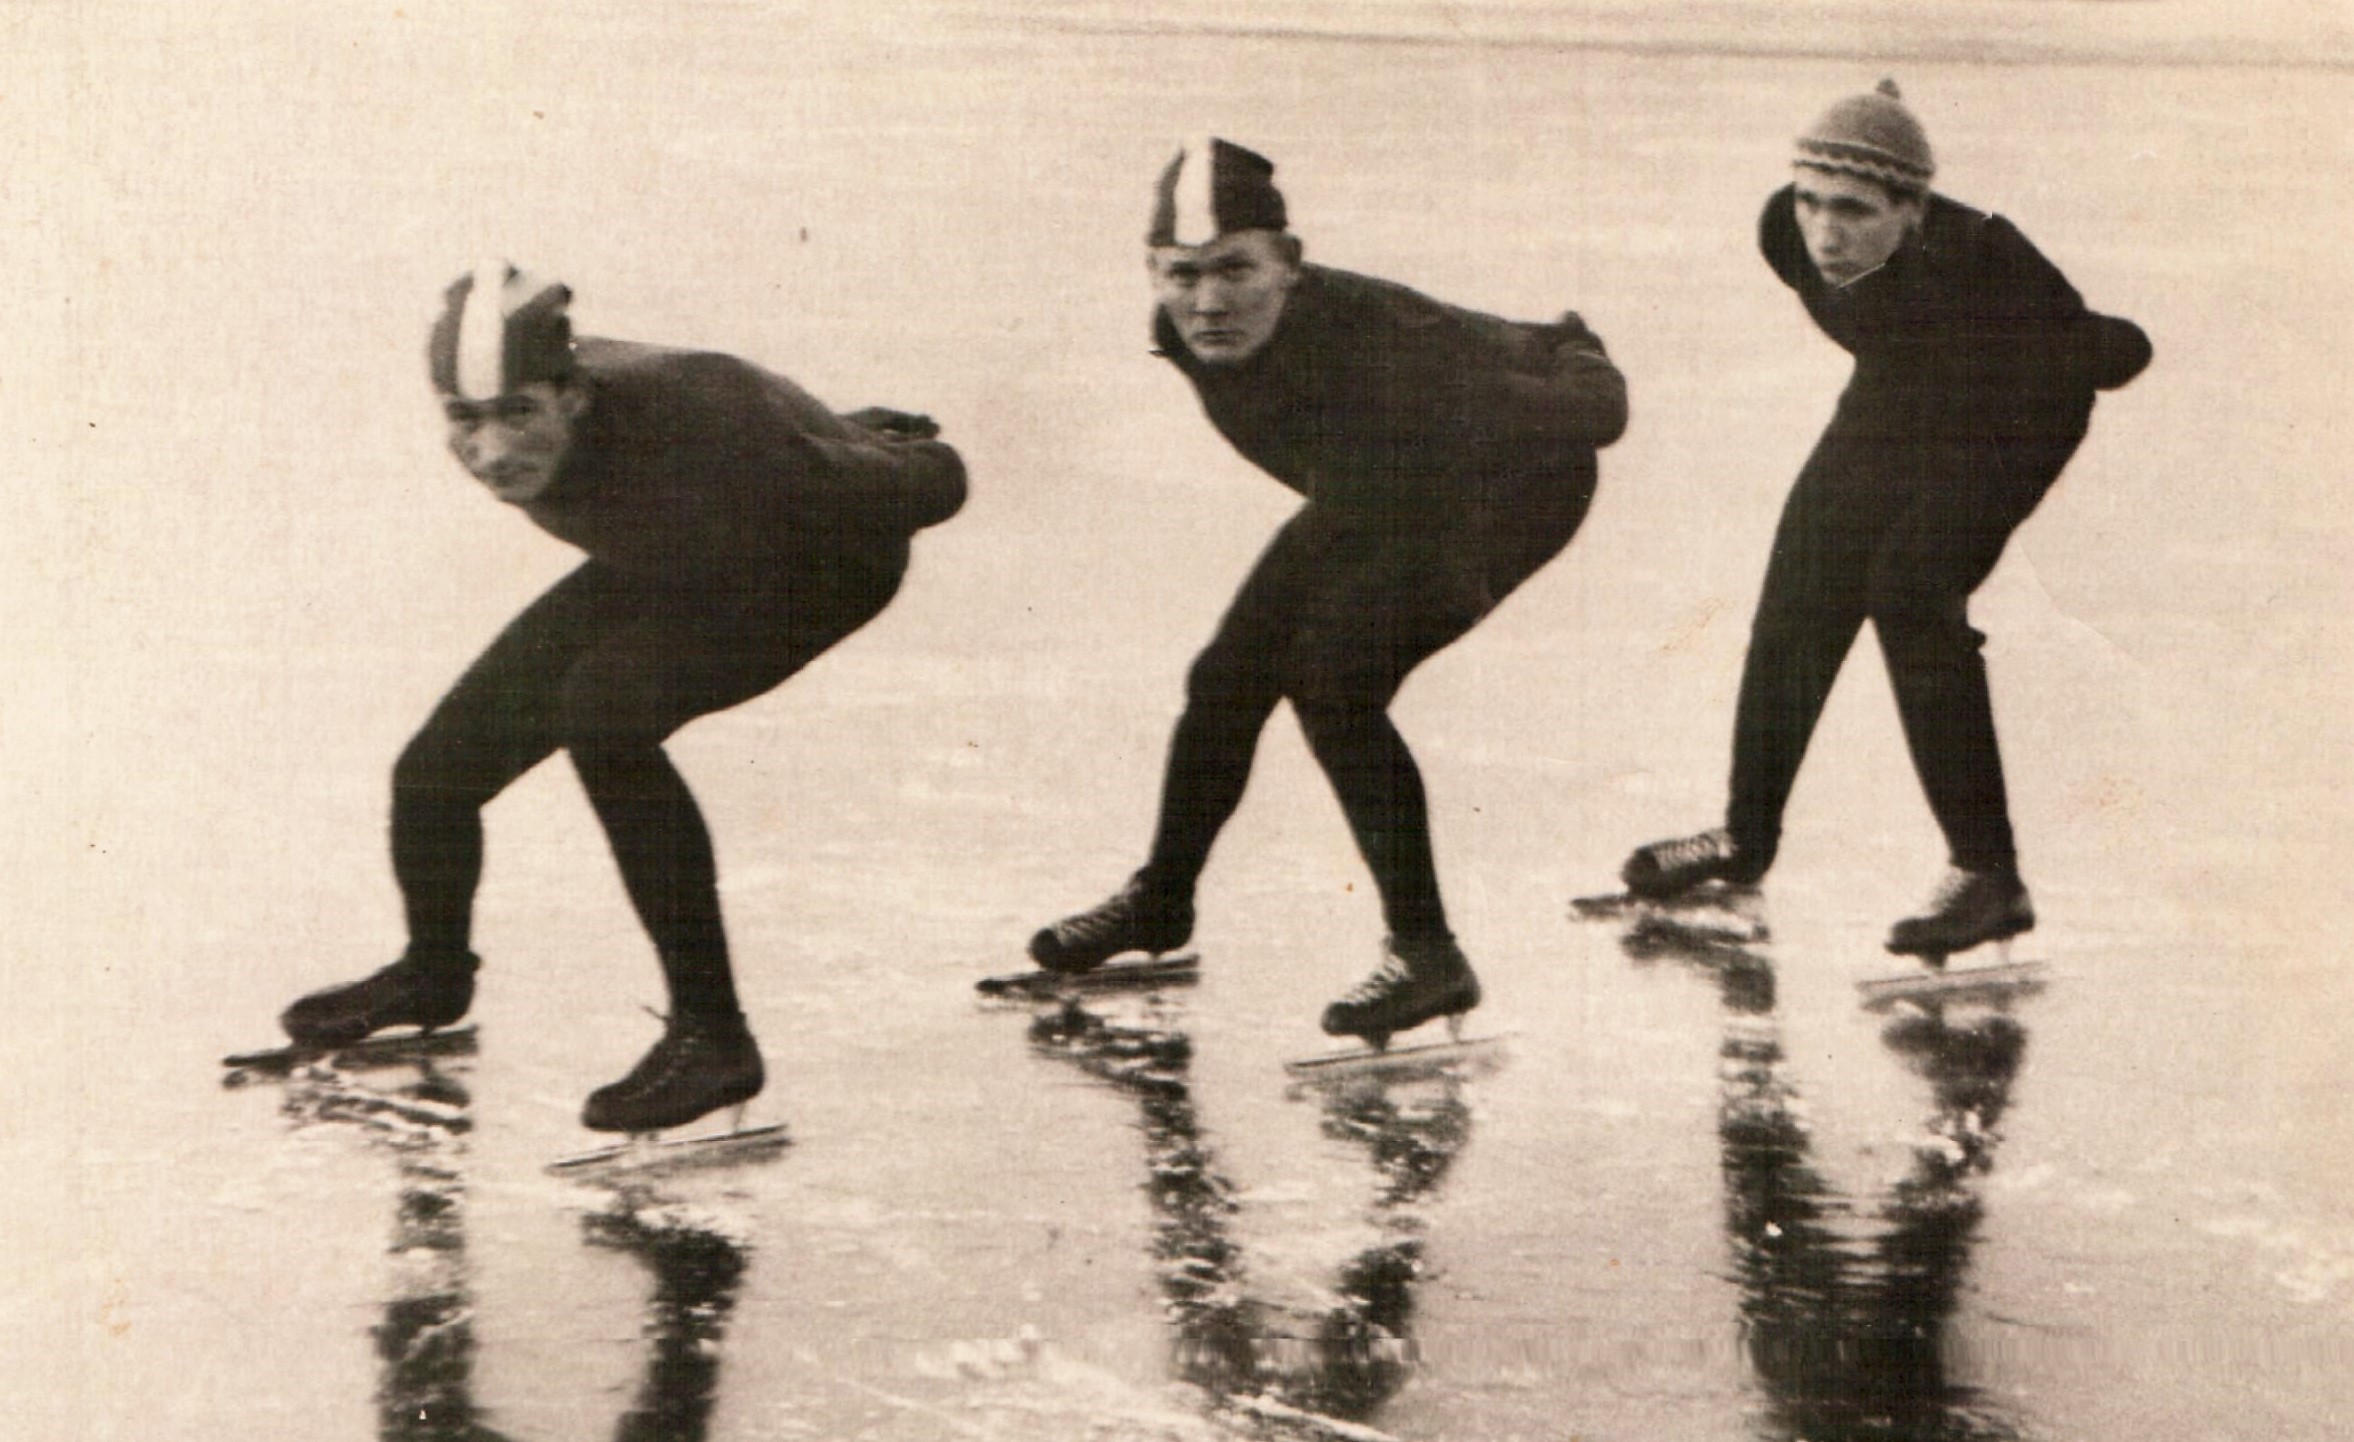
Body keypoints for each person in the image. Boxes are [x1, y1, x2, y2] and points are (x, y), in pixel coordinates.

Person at [277, 261, 966, 1132]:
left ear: (572, 398)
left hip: (820, 566)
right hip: (671, 552)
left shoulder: (704, 424)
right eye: (464, 419)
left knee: (605, 714)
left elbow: (937, 482)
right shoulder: (563, 400)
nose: (492, 451)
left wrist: (881, 455)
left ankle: (714, 1038)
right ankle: (433, 973)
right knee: (433, 772)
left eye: (518, 413)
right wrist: (828, 431)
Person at [1030, 139, 1627, 1047]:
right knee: (1226, 676)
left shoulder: (1388, 353)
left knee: (1336, 684)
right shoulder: (1180, 331)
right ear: (1153, 273)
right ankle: (1161, 902)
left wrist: (1576, 346)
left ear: (1290, 266)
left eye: (1236, 269)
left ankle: (1428, 955)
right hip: (1371, 491)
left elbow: (1594, 412)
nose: (1208, 301)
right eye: (1182, 272)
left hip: (1508, 495)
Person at [1619, 82, 2151, 959]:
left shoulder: (1984, 257)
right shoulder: (1782, 232)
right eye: (1812, 200)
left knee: (1910, 588)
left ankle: (1988, 874)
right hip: (1900, 391)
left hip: (2016, 415)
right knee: (1803, 584)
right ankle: (1745, 837)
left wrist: (2053, 342)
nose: (1825, 233)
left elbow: (2122, 353)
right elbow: (1887, 331)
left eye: (1855, 210)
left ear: (1913, 211)